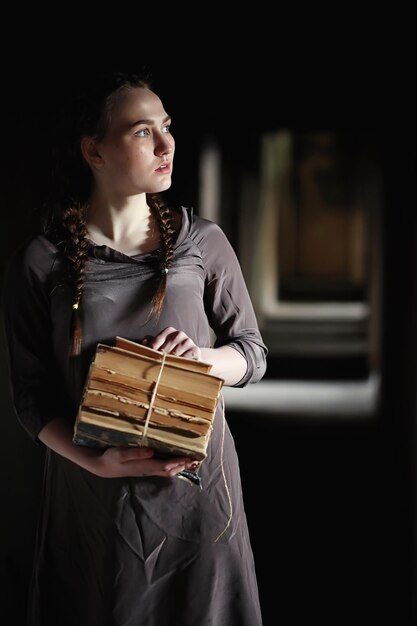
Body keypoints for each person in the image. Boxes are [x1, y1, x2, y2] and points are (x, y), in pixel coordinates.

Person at [1, 70, 268, 626]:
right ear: (93, 150)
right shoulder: (42, 261)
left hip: (200, 501)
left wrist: (202, 358)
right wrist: (95, 464)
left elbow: (252, 353)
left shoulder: (203, 241)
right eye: (143, 131)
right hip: (93, 505)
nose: (167, 145)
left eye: (167, 127)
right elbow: (31, 397)